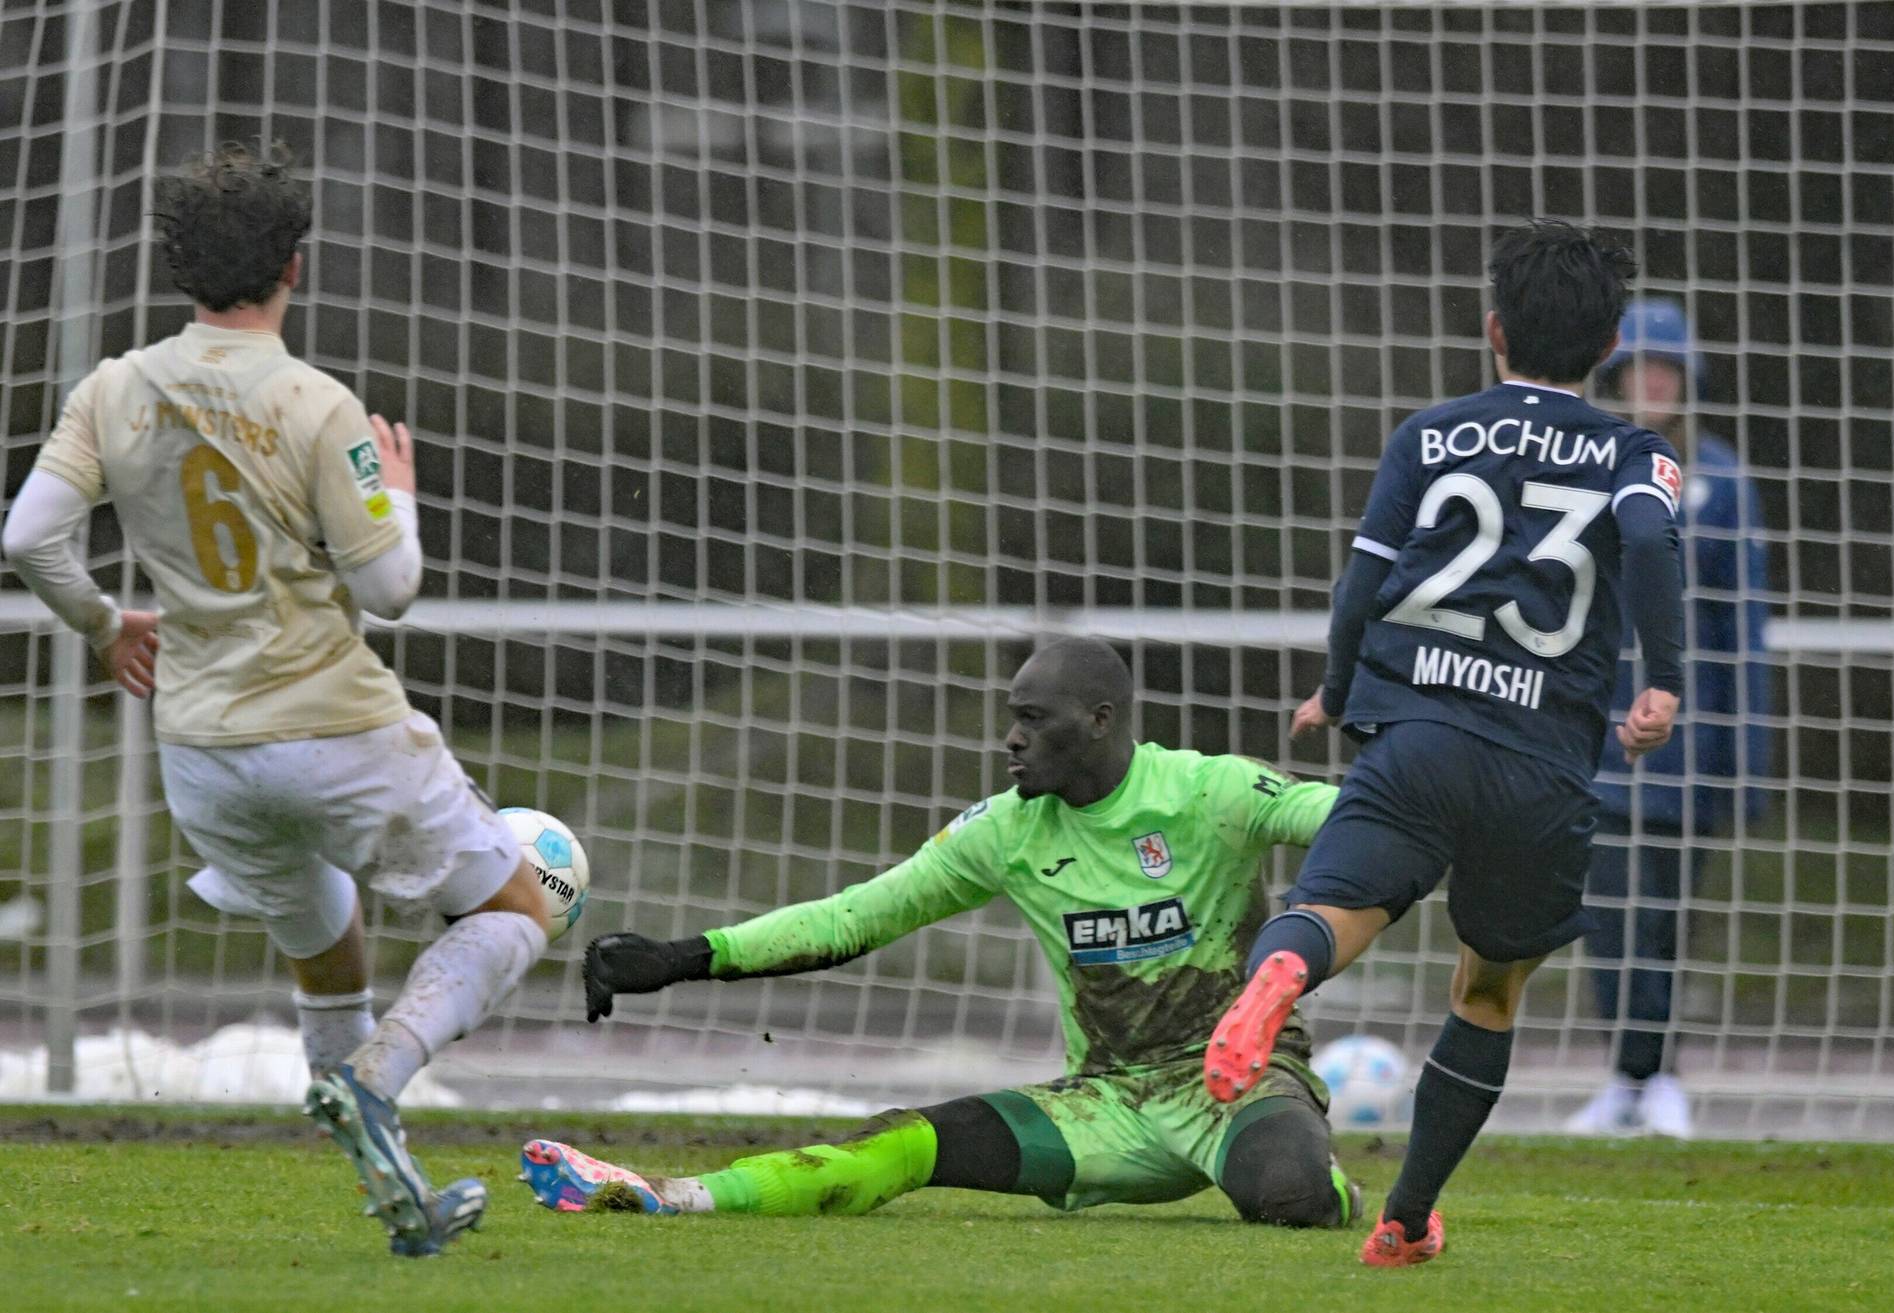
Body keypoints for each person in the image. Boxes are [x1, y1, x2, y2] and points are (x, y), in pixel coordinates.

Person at [0, 142, 550, 1258]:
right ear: (294, 264)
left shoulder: (113, 387)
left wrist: (105, 625)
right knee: (518, 906)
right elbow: (391, 589)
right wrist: (398, 495)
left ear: (180, 267)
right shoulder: (316, 403)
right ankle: (377, 1080)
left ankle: (392, 1188)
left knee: (329, 950)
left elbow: (27, 537)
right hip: (333, 725)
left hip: (201, 749)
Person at [1201, 219, 1687, 1268]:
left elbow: (1362, 583)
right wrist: (1662, 681)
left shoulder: (1429, 436)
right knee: (1488, 990)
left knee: (1332, 911)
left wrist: (1336, 692)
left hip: (1416, 733)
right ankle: (1406, 1218)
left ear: (1494, 329)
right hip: (1540, 762)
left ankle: (1279, 973)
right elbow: (1649, 536)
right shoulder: (1635, 453)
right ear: (1608, 347)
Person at [529, 637, 1362, 1230]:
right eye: (1011, 717)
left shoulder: (1207, 791)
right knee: (906, 1141)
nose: (1011, 738)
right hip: (1107, 1104)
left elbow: (1354, 822)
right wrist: (685, 956)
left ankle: (1337, 1184)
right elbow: (855, 915)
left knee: (1292, 1198)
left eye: (1033, 719)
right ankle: (673, 1194)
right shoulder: (1005, 830)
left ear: (1100, 720)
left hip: (1239, 1085)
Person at [1564, 300, 1771, 1140]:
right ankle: (1625, 1077)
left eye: (1667, 370)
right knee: (1606, 915)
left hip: (1691, 744)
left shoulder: (1721, 480)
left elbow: (1743, 628)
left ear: (1688, 381)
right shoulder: (1587, 466)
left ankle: (1658, 1077)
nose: (1652, 383)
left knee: (1666, 918)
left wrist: (1746, 756)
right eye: (1639, 369)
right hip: (1598, 738)